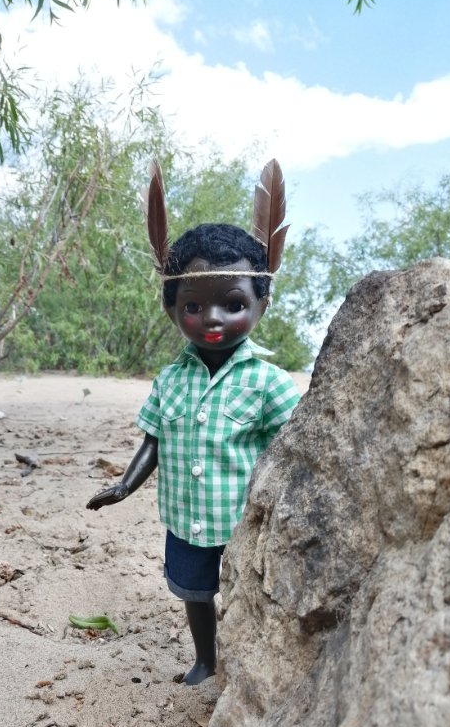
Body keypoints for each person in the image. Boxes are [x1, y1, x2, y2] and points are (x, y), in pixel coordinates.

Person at [87, 160, 301, 685]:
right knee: (195, 594)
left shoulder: (269, 383)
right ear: (171, 309)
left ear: (261, 304)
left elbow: (293, 450)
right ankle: (206, 660)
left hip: (243, 522)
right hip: (186, 520)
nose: (213, 319)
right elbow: (154, 438)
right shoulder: (169, 379)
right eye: (194, 306)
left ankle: (247, 665)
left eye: (233, 304)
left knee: (249, 593)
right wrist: (124, 485)